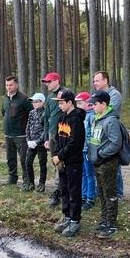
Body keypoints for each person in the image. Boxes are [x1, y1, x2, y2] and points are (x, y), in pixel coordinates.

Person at [87, 90, 122, 239]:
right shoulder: (96, 118)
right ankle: (104, 220)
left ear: (103, 104)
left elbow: (116, 143)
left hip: (107, 163)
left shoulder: (111, 120)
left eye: (95, 104)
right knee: (101, 192)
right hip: (97, 162)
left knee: (110, 193)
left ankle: (112, 224)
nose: (92, 106)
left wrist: (101, 154)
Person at [51, 90, 86, 237]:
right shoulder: (61, 118)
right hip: (62, 161)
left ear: (69, 102)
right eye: (58, 102)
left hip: (73, 162)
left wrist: (61, 155)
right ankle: (66, 216)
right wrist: (57, 156)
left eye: (61, 102)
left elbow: (74, 143)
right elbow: (59, 139)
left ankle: (75, 220)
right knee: (64, 189)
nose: (59, 105)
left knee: (74, 191)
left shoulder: (76, 120)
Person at [92, 71, 125, 199]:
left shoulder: (114, 95)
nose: (95, 83)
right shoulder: (96, 94)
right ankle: (102, 192)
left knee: (113, 164)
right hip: (99, 133)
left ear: (105, 81)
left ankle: (118, 193)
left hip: (111, 133)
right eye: (94, 81)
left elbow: (107, 111)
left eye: (97, 81)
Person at [41, 72, 68, 207]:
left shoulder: (66, 94)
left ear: (57, 81)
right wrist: (46, 137)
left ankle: (61, 190)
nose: (47, 84)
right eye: (46, 82)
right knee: (56, 161)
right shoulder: (50, 97)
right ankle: (59, 189)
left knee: (64, 161)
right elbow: (46, 118)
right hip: (52, 134)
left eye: (49, 81)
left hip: (64, 133)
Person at [1, 76, 33, 186]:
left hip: (21, 135)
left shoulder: (24, 98)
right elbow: (3, 113)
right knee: (10, 158)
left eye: (11, 85)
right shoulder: (5, 98)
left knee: (24, 158)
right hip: (8, 134)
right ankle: (12, 178)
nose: (9, 87)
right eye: (7, 85)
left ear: (16, 85)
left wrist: (28, 130)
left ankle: (27, 180)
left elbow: (31, 114)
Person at [75, 92, 96, 211]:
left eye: (80, 103)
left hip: (88, 150)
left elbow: (92, 134)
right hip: (80, 150)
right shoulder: (79, 116)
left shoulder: (91, 116)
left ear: (88, 103)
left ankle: (90, 197)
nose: (78, 105)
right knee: (82, 173)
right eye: (76, 103)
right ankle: (83, 195)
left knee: (89, 173)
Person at [24, 92, 48, 192]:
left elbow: (46, 129)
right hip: (31, 143)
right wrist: (28, 140)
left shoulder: (46, 113)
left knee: (42, 164)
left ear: (42, 102)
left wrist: (37, 142)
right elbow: (28, 126)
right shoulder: (32, 113)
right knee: (28, 162)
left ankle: (42, 184)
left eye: (36, 102)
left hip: (41, 144)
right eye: (33, 102)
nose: (34, 103)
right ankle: (30, 183)